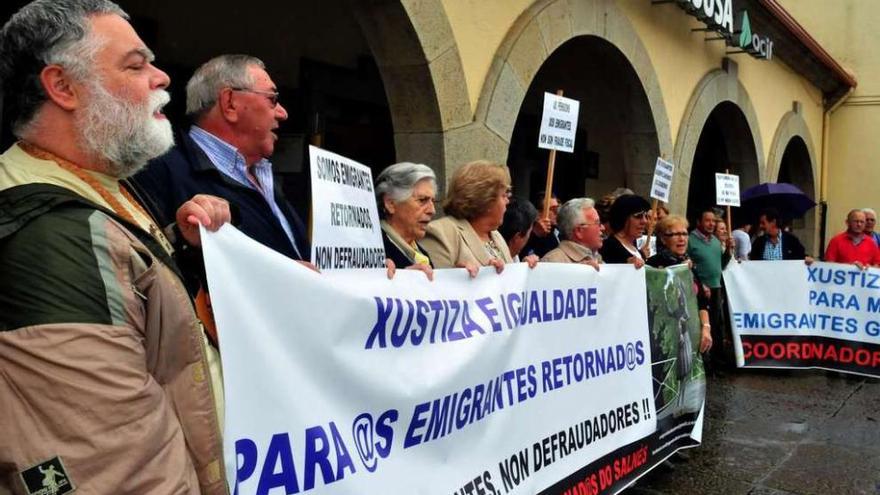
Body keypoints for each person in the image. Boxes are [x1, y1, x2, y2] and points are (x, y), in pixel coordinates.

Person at [0, 1, 229, 492]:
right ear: (62, 87)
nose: (162, 76)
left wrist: (179, 247)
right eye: (136, 64)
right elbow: (117, 467)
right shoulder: (49, 236)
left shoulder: (93, 182)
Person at [132, 54, 309, 264]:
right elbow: (150, 264)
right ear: (230, 103)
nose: (283, 113)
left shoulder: (264, 175)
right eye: (272, 99)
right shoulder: (157, 170)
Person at [421, 160, 514, 272]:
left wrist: (528, 271)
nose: (507, 201)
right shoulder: (442, 233)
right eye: (504, 195)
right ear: (486, 199)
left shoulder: (496, 236)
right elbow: (436, 283)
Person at [647, 215, 712, 354]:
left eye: (684, 233)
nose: (682, 238)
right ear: (663, 239)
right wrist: (676, 272)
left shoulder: (688, 264)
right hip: (665, 341)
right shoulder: (653, 265)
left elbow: (701, 301)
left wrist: (706, 328)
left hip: (693, 336)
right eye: (675, 234)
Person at [687, 208, 730, 368]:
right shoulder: (690, 240)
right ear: (698, 222)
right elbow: (685, 263)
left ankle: (718, 362)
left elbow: (722, 265)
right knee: (702, 327)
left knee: (717, 326)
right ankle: (703, 363)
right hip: (699, 290)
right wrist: (698, 281)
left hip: (716, 287)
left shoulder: (716, 242)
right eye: (707, 220)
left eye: (713, 220)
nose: (711, 223)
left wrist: (729, 251)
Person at [375, 162, 436, 270]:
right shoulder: (373, 252)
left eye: (433, 201)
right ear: (391, 204)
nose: (432, 210)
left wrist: (459, 276)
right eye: (422, 200)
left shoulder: (422, 254)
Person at [541, 197, 603, 270]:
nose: (602, 227)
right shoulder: (552, 262)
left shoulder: (598, 258)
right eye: (597, 223)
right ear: (579, 231)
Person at [599, 194, 650, 267]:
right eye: (638, 216)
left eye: (646, 216)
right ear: (623, 218)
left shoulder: (635, 247)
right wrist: (626, 265)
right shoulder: (609, 248)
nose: (644, 221)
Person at [499, 196, 539, 263]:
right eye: (529, 233)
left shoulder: (514, 258)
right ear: (517, 237)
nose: (529, 237)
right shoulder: (495, 265)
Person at [522, 191, 560, 258]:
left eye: (557, 208)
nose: (557, 212)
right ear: (538, 213)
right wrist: (535, 234)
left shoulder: (559, 232)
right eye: (552, 209)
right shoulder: (526, 233)